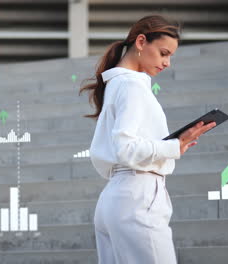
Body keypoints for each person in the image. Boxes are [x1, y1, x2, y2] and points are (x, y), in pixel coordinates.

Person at [79, 15, 216, 264]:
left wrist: (175, 146)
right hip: (137, 196)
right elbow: (125, 147)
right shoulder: (131, 86)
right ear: (141, 42)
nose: (167, 63)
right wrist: (174, 146)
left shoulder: (118, 84)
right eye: (164, 53)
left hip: (114, 199)